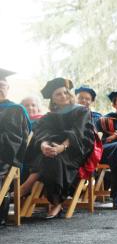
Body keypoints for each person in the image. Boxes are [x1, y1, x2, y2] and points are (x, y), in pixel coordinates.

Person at [19, 78, 94, 219]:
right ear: (52, 99)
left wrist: (62, 147)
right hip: (52, 149)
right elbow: (41, 134)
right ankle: (54, 201)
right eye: (58, 94)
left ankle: (42, 194)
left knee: (54, 158)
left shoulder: (81, 111)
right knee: (47, 155)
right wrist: (43, 145)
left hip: (75, 150)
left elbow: (78, 133)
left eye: (65, 92)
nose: (63, 96)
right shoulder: (48, 117)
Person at [0, 69, 31, 226]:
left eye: (2, 85)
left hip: (6, 154)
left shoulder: (15, 109)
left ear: (7, 88)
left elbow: (16, 138)